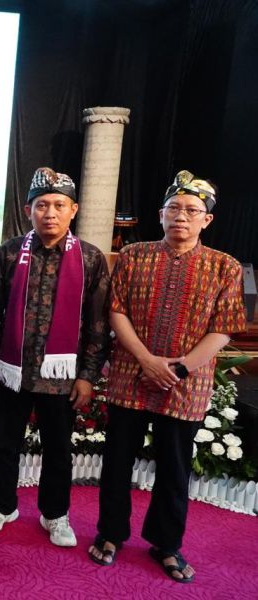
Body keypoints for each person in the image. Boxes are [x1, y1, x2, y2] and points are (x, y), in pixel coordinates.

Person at [89, 170, 245, 582]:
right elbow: (116, 310)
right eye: (174, 208)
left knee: (174, 469)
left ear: (206, 220)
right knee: (117, 463)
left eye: (192, 211)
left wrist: (178, 366)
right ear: (160, 214)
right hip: (129, 376)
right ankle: (110, 534)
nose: (181, 216)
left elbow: (225, 326)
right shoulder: (134, 255)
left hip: (186, 385)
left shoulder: (224, 267)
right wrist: (146, 360)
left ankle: (167, 543)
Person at [0, 167, 110, 547]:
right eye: (41, 205)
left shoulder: (90, 259)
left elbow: (98, 323)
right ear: (28, 209)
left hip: (62, 377)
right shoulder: (8, 253)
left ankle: (55, 515)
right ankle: (2, 505)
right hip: (12, 370)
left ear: (73, 210)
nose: (49, 213)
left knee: (57, 449)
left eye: (58, 205)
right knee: (4, 443)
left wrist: (87, 375)